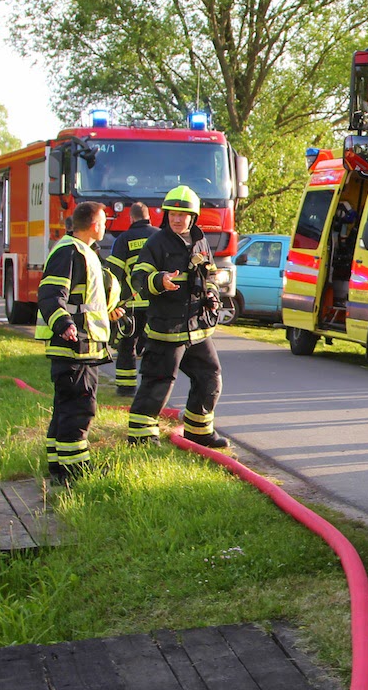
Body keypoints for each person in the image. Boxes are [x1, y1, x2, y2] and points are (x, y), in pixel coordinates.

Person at [126, 186, 228, 449]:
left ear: (193, 217)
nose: (177, 219)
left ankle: (198, 431)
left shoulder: (200, 242)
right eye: (172, 214)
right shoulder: (156, 243)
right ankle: (141, 437)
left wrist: (212, 293)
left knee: (209, 376)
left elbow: (211, 275)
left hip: (197, 328)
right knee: (158, 381)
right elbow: (138, 278)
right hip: (167, 329)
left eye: (182, 215)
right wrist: (159, 280)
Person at [37, 202, 123, 483]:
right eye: (104, 222)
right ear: (94, 225)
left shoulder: (84, 251)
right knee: (79, 407)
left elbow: (84, 299)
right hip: (74, 346)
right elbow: (51, 294)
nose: (105, 227)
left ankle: (58, 466)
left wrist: (109, 311)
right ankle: (76, 471)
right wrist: (64, 324)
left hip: (82, 345)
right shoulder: (69, 252)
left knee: (66, 407)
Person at [107, 202, 157, 396]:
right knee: (154, 346)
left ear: (131, 218)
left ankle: (125, 388)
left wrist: (112, 302)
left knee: (127, 345)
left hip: (131, 304)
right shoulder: (159, 236)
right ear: (149, 216)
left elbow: (114, 273)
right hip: (155, 303)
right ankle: (150, 388)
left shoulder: (123, 239)